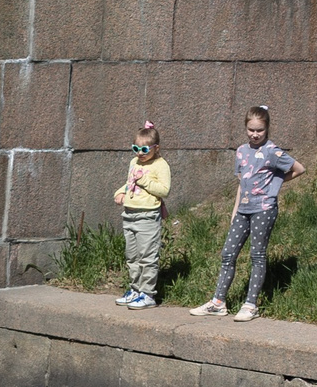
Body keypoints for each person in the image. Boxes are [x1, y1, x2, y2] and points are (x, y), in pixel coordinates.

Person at [191, 105, 305, 322]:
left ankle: (251, 304)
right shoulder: (241, 151)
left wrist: (275, 184)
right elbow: (241, 183)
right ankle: (218, 302)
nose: (255, 134)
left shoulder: (273, 151)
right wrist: (234, 211)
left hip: (263, 209)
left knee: (257, 255)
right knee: (228, 254)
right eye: (251, 129)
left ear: (267, 128)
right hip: (243, 209)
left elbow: (299, 169)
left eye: (259, 130)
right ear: (245, 128)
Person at [112, 120, 171, 309]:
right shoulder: (134, 162)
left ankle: (147, 294)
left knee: (147, 256)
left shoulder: (161, 165)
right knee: (132, 257)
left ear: (156, 148)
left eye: (145, 150)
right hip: (129, 214)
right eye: (135, 148)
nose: (139, 153)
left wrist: (144, 180)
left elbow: (164, 190)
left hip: (147, 216)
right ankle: (135, 289)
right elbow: (130, 183)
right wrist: (120, 192)